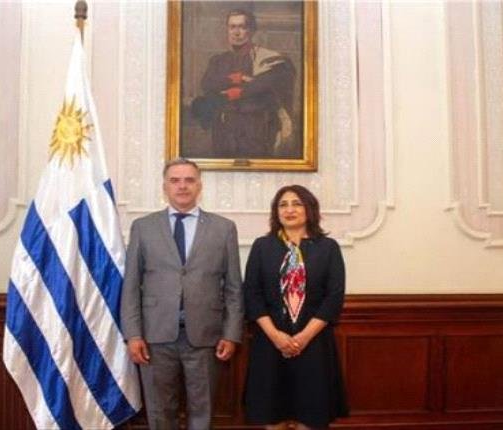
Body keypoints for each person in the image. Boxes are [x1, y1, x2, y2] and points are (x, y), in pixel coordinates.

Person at [121, 158, 244, 429]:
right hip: (154, 337)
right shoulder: (143, 227)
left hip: (205, 337)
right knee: (160, 412)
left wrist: (231, 333)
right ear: (164, 186)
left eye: (189, 180)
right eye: (175, 180)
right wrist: (133, 334)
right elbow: (130, 285)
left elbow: (234, 287)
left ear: (199, 185)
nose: (182, 186)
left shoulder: (224, 228)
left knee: (203, 411)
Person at [243, 185, 348, 429]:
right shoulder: (262, 246)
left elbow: (333, 297)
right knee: (273, 415)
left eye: (297, 203)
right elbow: (252, 295)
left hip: (314, 343)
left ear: (309, 209)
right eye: (283, 205)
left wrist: (303, 337)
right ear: (276, 212)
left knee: (310, 415)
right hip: (270, 343)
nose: (289, 210)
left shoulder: (328, 247)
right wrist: (276, 336)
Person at [193, 9, 296, 159]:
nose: (236, 32)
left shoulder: (268, 59)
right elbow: (208, 84)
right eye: (232, 27)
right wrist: (236, 78)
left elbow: (266, 85)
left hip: (257, 129)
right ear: (227, 30)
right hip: (224, 129)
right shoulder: (218, 60)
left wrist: (234, 92)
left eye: (242, 27)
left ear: (252, 30)